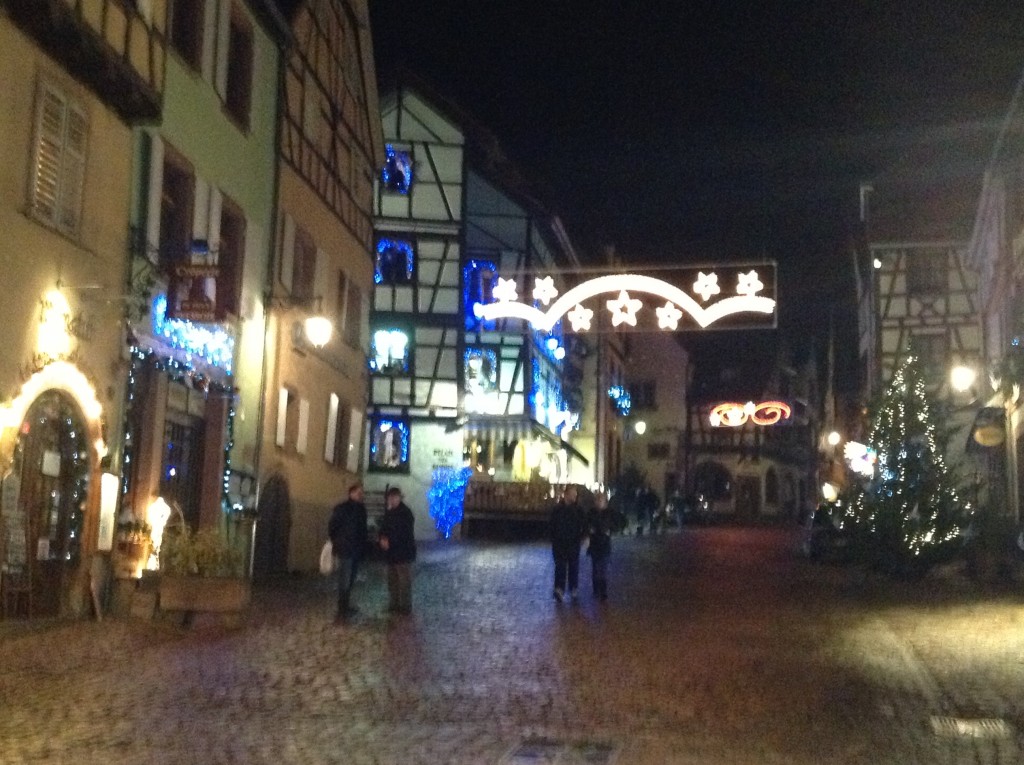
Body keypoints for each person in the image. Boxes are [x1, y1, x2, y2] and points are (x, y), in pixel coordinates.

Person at [327, 482, 368, 623]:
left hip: (356, 549)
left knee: (350, 579)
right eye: (358, 492)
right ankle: (342, 608)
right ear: (351, 493)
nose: (361, 495)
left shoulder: (362, 510)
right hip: (346, 549)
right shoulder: (342, 508)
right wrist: (338, 542)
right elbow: (332, 527)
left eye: (361, 493)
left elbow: (363, 530)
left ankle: (345, 605)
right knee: (344, 579)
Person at [378, 486, 416, 614]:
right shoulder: (389, 513)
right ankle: (394, 604)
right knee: (392, 580)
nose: (392, 500)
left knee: (404, 581)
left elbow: (404, 533)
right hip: (391, 553)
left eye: (394, 498)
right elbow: (383, 528)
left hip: (403, 552)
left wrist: (390, 541)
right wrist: (382, 538)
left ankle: (405, 606)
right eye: (390, 498)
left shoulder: (406, 513)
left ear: (399, 498)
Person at [549, 484, 586, 601]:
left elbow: (584, 524)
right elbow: (552, 525)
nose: (574, 497)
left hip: (573, 542)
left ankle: (573, 588)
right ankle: (559, 589)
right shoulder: (557, 509)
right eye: (572, 494)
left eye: (575, 494)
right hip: (559, 542)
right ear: (566, 494)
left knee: (573, 566)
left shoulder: (578, 510)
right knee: (560, 566)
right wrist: (553, 538)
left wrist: (583, 537)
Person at [586, 493, 612, 601]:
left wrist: (610, 531)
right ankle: (596, 587)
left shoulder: (609, 513)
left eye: (601, 501)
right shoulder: (591, 513)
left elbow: (615, 523)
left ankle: (603, 590)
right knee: (596, 568)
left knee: (603, 569)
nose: (599, 503)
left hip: (605, 544)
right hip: (595, 544)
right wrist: (589, 530)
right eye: (598, 500)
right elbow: (586, 524)